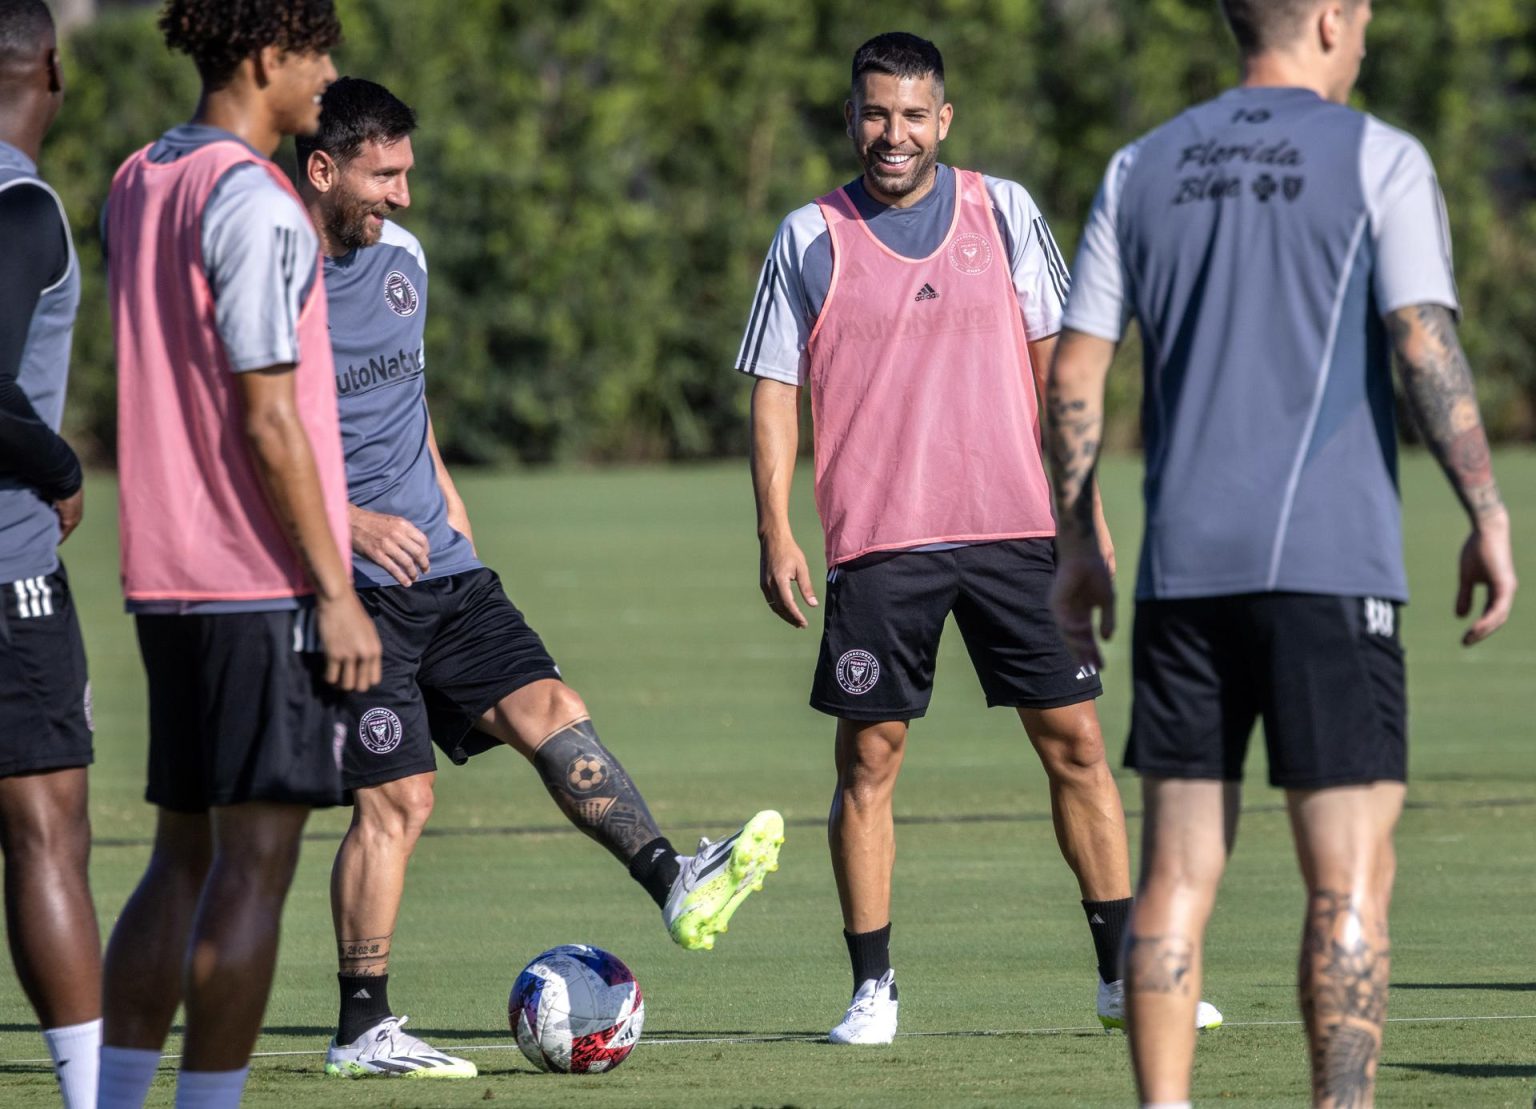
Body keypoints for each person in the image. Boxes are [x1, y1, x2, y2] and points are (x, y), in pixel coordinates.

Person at [1044, 0, 1518, 1105]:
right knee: (1347, 873)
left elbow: (1073, 375)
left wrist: (1078, 544)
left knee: (1173, 874)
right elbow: (1422, 342)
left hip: (1182, 574)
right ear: (1325, 18)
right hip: (1332, 570)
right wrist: (1486, 507)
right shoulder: (1381, 159)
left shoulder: (1140, 167)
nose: (1366, 38)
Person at [294, 77, 785, 1079]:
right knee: (399, 802)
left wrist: (449, 509)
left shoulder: (406, 263)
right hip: (346, 585)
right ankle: (362, 1027)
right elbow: (242, 437)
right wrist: (348, 522)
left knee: (554, 705)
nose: (404, 195)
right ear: (323, 168)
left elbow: (407, 406)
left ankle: (675, 881)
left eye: (407, 172)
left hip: (447, 566)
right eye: (385, 175)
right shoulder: (274, 275)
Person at [737, 31, 1219, 1045]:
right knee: (869, 756)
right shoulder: (808, 234)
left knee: (1078, 744)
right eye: (876, 113)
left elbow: (1057, 371)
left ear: (943, 119)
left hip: (1015, 527)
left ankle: (1119, 972)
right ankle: (873, 988)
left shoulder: (1003, 211)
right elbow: (776, 392)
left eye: (914, 114)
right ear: (851, 116)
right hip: (879, 540)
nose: (894, 133)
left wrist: (1085, 514)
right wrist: (775, 524)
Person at [96, 3, 384, 1106]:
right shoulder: (255, 201)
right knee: (254, 866)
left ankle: (116, 1096)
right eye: (318, 55)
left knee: (179, 856)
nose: (328, 77)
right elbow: (269, 416)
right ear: (268, 57)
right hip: (256, 582)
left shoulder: (136, 177)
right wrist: (334, 588)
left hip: (162, 575)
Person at [0, 2, 100, 1104]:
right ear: (51, 69)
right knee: (45, 829)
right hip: (6, 567)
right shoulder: (19, 201)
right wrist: (62, 466)